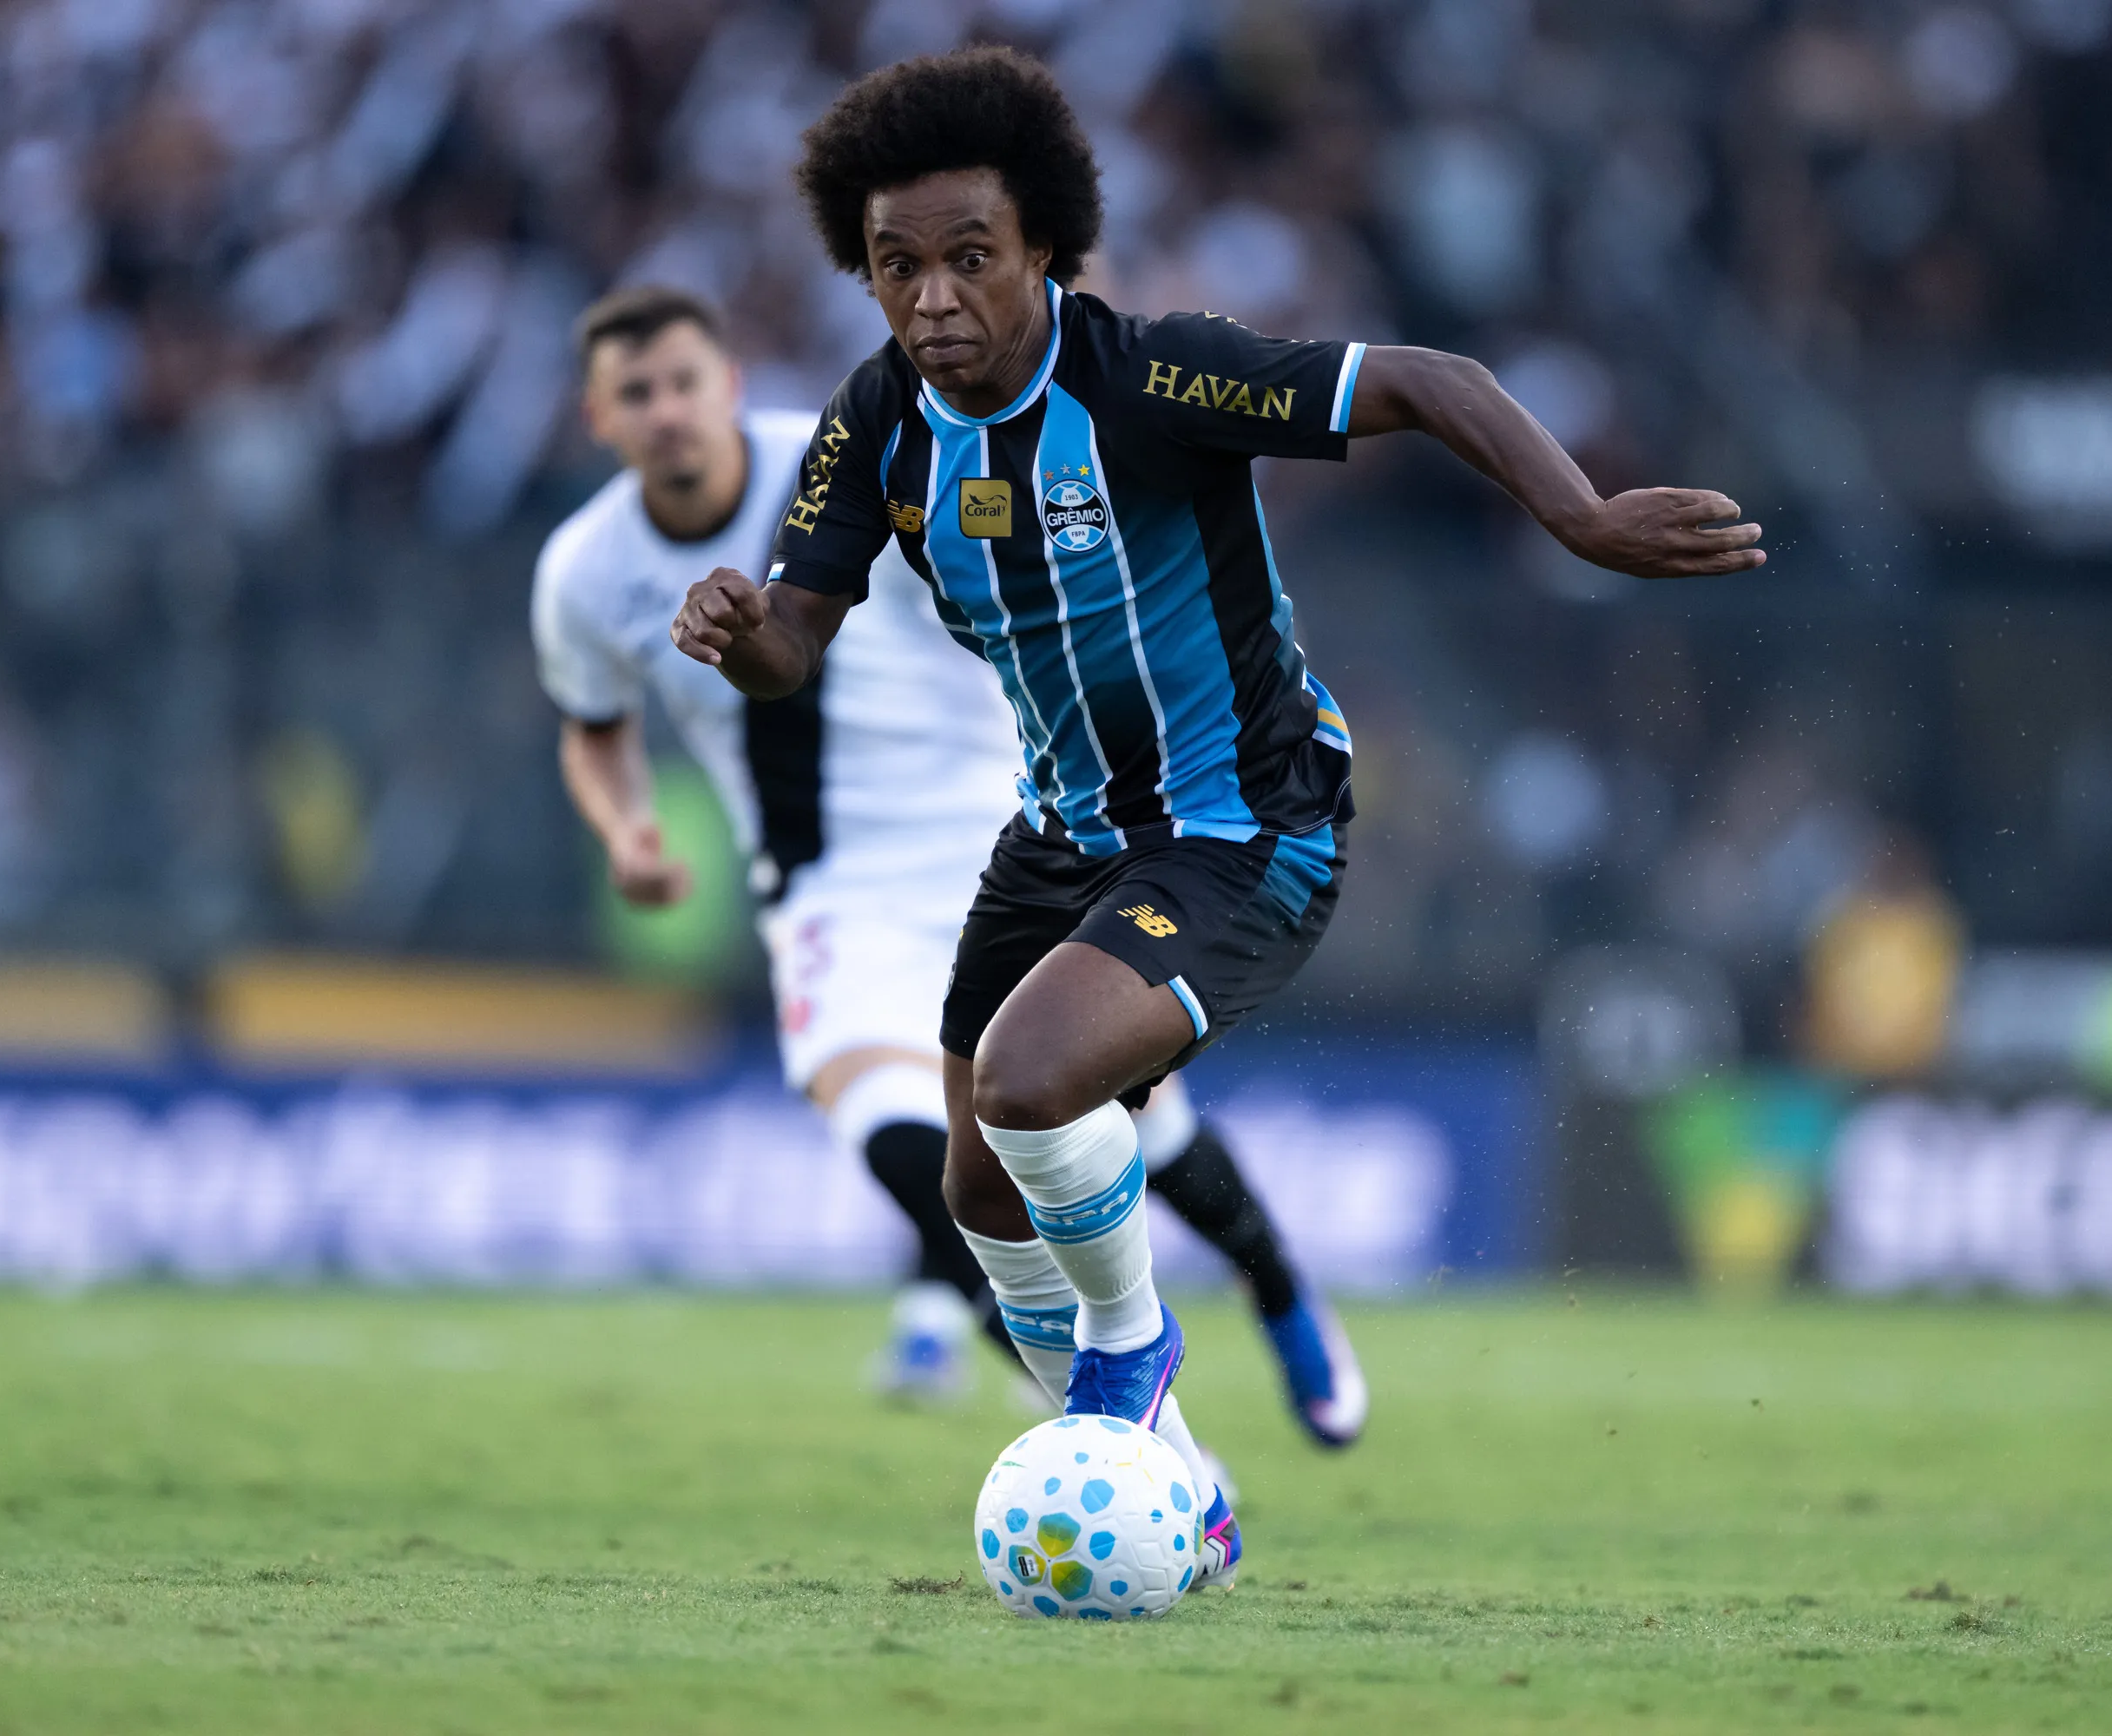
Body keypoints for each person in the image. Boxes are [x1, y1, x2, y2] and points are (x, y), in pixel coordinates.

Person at [670, 47, 1763, 1582]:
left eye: (970, 257)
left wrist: (1576, 516)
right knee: (977, 1192)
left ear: (1045, 248)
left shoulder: (1151, 378)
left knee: (1033, 1088)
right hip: (1060, 836)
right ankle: (1182, 1489)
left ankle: (1135, 1348)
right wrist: (741, 633)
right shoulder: (878, 424)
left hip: (1246, 826)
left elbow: (1423, 381)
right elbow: (796, 641)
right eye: (896, 266)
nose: (932, 299)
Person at [536, 285, 1353, 1427]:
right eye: (637, 394)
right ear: (599, 418)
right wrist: (628, 829)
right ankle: (1148, 1449)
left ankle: (1280, 1292)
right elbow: (594, 727)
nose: (666, 411)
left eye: (684, 382)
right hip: (831, 897)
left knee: (1139, 1126)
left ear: (729, 386)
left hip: (1000, 837)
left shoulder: (860, 454)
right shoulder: (583, 570)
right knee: (917, 1162)